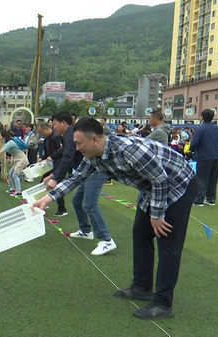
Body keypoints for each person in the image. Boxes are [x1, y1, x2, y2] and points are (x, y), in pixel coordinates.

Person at [33, 117, 197, 319]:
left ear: (94, 139)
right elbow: (77, 177)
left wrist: (157, 214)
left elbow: (161, 180)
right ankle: (141, 287)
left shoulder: (129, 150)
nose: (76, 148)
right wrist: (48, 198)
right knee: (140, 234)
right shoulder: (93, 155)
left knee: (167, 242)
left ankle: (163, 304)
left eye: (78, 143)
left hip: (178, 184)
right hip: (150, 189)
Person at [43, 111, 83, 217]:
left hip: (91, 169)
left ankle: (93, 232)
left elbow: (67, 158)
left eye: (55, 124)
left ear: (63, 123)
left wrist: (55, 179)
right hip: (83, 170)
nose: (53, 127)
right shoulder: (67, 134)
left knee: (89, 204)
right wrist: (52, 176)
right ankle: (86, 230)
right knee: (78, 201)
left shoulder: (70, 135)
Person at [190, 108, 218, 206]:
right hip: (217, 155)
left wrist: (191, 150)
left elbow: (194, 143)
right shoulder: (217, 128)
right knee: (213, 178)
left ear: (202, 117)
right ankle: (211, 199)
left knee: (202, 178)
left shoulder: (200, 128)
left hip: (204, 156)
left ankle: (199, 199)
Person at [0, 129, 29, 197]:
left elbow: (1, 152)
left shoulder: (10, 143)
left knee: (15, 174)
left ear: (4, 137)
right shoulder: (8, 143)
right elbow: (0, 151)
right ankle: (13, 189)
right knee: (10, 173)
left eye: (0, 136)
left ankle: (19, 191)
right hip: (17, 160)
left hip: (22, 160)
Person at [36, 122, 66, 214]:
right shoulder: (46, 139)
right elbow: (48, 152)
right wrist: (43, 157)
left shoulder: (57, 137)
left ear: (46, 129)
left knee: (55, 186)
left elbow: (62, 150)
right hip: (50, 165)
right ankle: (42, 204)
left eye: (41, 132)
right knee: (44, 183)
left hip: (58, 164)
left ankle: (62, 209)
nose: (41, 135)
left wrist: (52, 156)